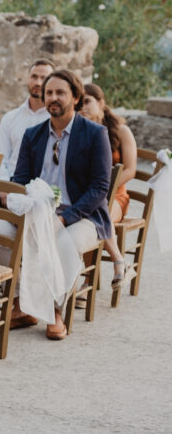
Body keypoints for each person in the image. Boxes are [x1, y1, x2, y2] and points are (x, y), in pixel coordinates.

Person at [0, 69, 113, 341]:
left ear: (76, 97)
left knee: (63, 242)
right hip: (35, 211)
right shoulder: (33, 135)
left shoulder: (95, 134)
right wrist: (15, 198)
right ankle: (23, 303)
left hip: (82, 215)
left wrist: (65, 218)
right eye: (49, 93)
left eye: (60, 93)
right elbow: (20, 179)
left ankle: (55, 310)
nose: (53, 98)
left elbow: (100, 188)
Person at [80, 83, 136, 288]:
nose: (82, 107)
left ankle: (90, 280)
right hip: (90, 194)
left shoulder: (121, 131)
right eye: (79, 103)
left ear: (101, 102)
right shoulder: (82, 133)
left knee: (95, 212)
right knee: (87, 211)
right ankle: (119, 263)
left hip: (116, 197)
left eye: (87, 101)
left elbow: (130, 169)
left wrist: (104, 189)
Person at [0, 58, 55, 182]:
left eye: (44, 78)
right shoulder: (10, 118)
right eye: (34, 77)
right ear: (28, 79)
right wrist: (3, 185)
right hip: (12, 181)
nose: (38, 82)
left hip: (46, 183)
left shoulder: (55, 119)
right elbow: (1, 157)